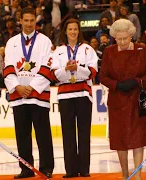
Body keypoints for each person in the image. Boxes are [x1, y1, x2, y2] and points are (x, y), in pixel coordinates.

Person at [99, 19, 146, 180]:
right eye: (118, 39)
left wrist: (137, 82)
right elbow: (102, 76)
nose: (122, 42)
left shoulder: (141, 49)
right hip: (117, 100)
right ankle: (124, 174)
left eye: (125, 38)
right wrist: (116, 85)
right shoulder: (109, 52)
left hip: (137, 100)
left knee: (138, 138)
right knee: (120, 138)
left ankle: (138, 175)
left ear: (131, 35)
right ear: (114, 37)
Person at [3, 7, 54, 179]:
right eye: (26, 20)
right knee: (22, 135)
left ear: (36, 21)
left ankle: (46, 168)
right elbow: (8, 67)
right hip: (19, 97)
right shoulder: (12, 42)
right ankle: (26, 169)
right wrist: (17, 87)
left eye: (32, 20)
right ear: (20, 21)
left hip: (38, 96)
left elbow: (48, 67)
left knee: (43, 134)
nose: (29, 24)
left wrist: (31, 87)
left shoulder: (45, 41)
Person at [49, 18, 98, 178]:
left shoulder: (87, 49)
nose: (73, 32)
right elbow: (53, 74)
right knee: (68, 133)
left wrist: (77, 69)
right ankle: (70, 170)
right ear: (65, 31)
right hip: (65, 95)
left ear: (79, 31)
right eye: (70, 29)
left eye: (75, 29)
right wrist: (66, 69)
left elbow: (93, 71)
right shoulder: (58, 51)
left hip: (83, 94)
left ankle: (84, 170)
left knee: (84, 132)